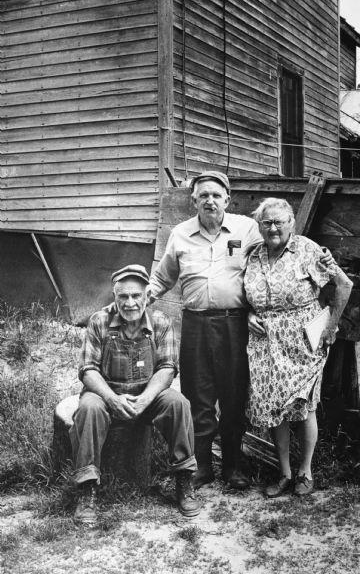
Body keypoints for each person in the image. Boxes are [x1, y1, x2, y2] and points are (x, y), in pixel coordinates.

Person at [149, 171, 263, 490]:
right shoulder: (181, 234)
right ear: (194, 201)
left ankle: (233, 466)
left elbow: (265, 270)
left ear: (228, 199)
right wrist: (138, 299)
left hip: (235, 324)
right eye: (203, 196)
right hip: (196, 323)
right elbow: (162, 278)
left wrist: (258, 311)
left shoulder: (247, 229)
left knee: (233, 394)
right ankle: (201, 466)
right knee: (197, 395)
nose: (209, 200)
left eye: (216, 195)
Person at [70, 264, 199, 525]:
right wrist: (112, 399)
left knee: (178, 403)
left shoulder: (162, 322)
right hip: (107, 395)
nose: (130, 303)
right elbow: (87, 370)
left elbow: (166, 368)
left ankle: (184, 481)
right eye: (123, 297)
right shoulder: (99, 321)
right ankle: (87, 490)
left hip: (147, 396)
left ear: (147, 296)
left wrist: (144, 399)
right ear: (115, 297)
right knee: (89, 408)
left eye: (136, 296)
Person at [245, 198, 353, 498]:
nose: (273, 227)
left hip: (302, 341)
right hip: (264, 343)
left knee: (303, 407)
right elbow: (249, 297)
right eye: (267, 223)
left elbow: (344, 285)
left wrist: (331, 327)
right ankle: (284, 473)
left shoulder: (308, 250)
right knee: (273, 409)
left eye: (280, 221)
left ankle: (305, 471)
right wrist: (249, 314)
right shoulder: (253, 255)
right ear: (259, 226)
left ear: (291, 223)